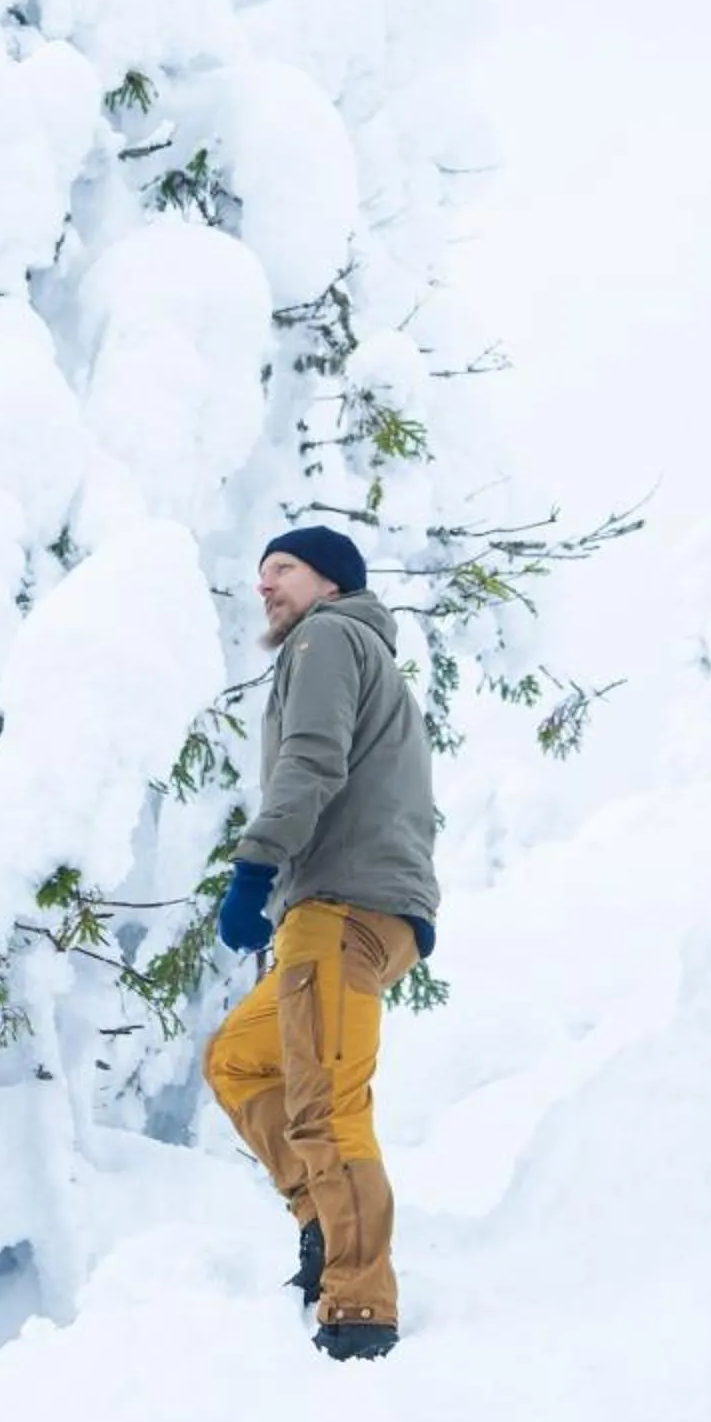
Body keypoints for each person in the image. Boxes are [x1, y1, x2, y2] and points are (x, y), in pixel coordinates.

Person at [202, 523, 440, 1363]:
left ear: (331, 582)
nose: (265, 585)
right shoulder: (352, 648)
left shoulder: (328, 637)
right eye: (260, 571)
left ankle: (360, 1302)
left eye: (284, 569)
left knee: (327, 1107)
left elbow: (311, 760)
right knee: (240, 1058)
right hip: (364, 909)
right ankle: (321, 1222)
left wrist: (255, 868)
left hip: (339, 909)